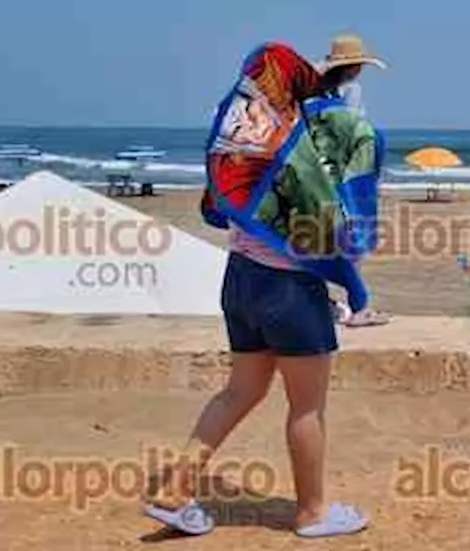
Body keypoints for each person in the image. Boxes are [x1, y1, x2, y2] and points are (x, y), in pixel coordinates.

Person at [147, 39, 388, 539]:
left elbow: (220, 204)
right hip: (290, 287)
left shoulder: (258, 125)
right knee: (306, 406)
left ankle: (173, 490)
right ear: (358, 73)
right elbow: (350, 217)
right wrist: (345, 270)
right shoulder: (342, 129)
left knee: (240, 391)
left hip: (240, 277)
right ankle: (313, 513)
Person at [314, 33, 391, 328]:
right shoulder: (349, 91)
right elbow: (354, 132)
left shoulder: (315, 92)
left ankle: (328, 303)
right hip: (342, 177)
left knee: (318, 243)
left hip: (317, 172)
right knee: (351, 238)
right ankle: (359, 308)